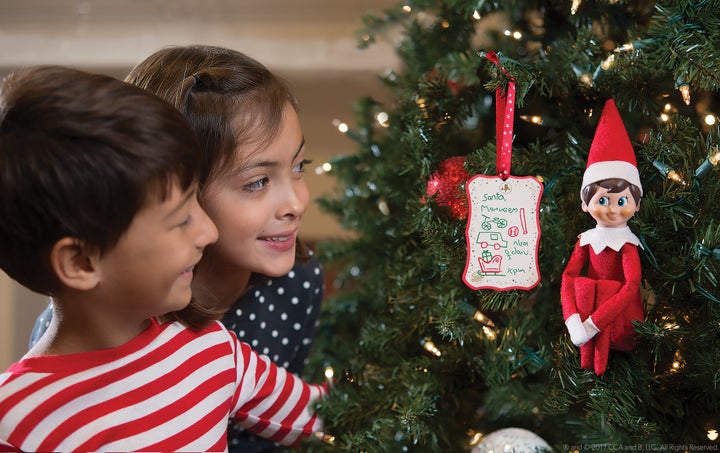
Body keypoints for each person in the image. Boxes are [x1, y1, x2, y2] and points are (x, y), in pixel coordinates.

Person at [0, 65, 325, 451]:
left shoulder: (211, 349)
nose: (208, 232)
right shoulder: (18, 424)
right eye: (181, 219)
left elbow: (328, 415)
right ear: (81, 263)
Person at [560, 99, 644, 376]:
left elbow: (631, 286)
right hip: (584, 312)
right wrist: (573, 319)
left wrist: (594, 324)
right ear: (585, 204)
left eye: (622, 202)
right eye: (603, 200)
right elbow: (569, 277)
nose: (611, 209)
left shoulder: (628, 245)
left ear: (637, 204)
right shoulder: (585, 240)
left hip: (618, 322)